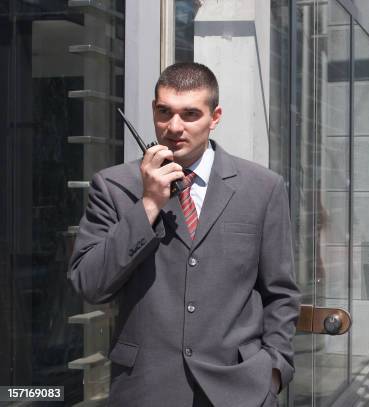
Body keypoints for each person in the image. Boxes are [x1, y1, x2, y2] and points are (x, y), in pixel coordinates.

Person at [69, 62, 300, 407]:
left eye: (190, 114)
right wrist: (147, 205)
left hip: (240, 387)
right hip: (146, 387)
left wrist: (274, 370)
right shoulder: (114, 186)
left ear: (215, 116)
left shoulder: (262, 187)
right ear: (153, 110)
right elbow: (89, 284)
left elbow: (280, 293)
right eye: (165, 112)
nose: (174, 127)